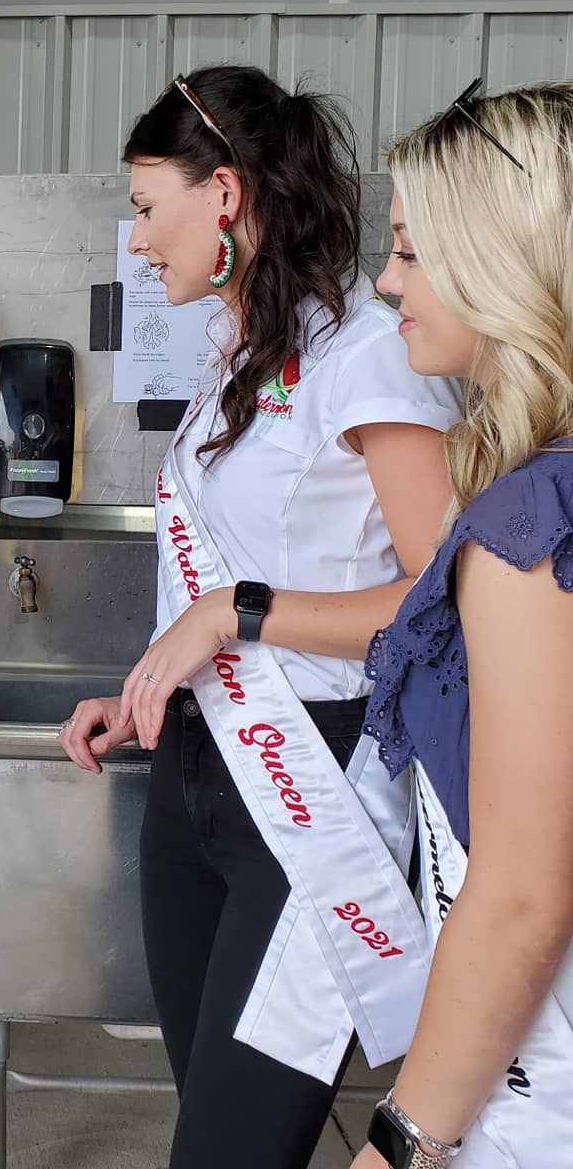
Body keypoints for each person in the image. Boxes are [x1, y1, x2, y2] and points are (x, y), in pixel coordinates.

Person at [58, 65, 463, 1169]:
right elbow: (229, 582)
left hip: (310, 797)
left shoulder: (370, 356)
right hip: (192, 784)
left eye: (147, 209)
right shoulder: (238, 361)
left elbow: (445, 610)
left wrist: (234, 615)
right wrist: (151, 683)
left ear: (223, 195)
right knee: (214, 1136)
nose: (139, 242)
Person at [351, 82, 573, 1169]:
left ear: (505, 262)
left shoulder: (528, 527)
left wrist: (401, 1142)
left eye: (410, 249)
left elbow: (527, 893)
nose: (387, 280)